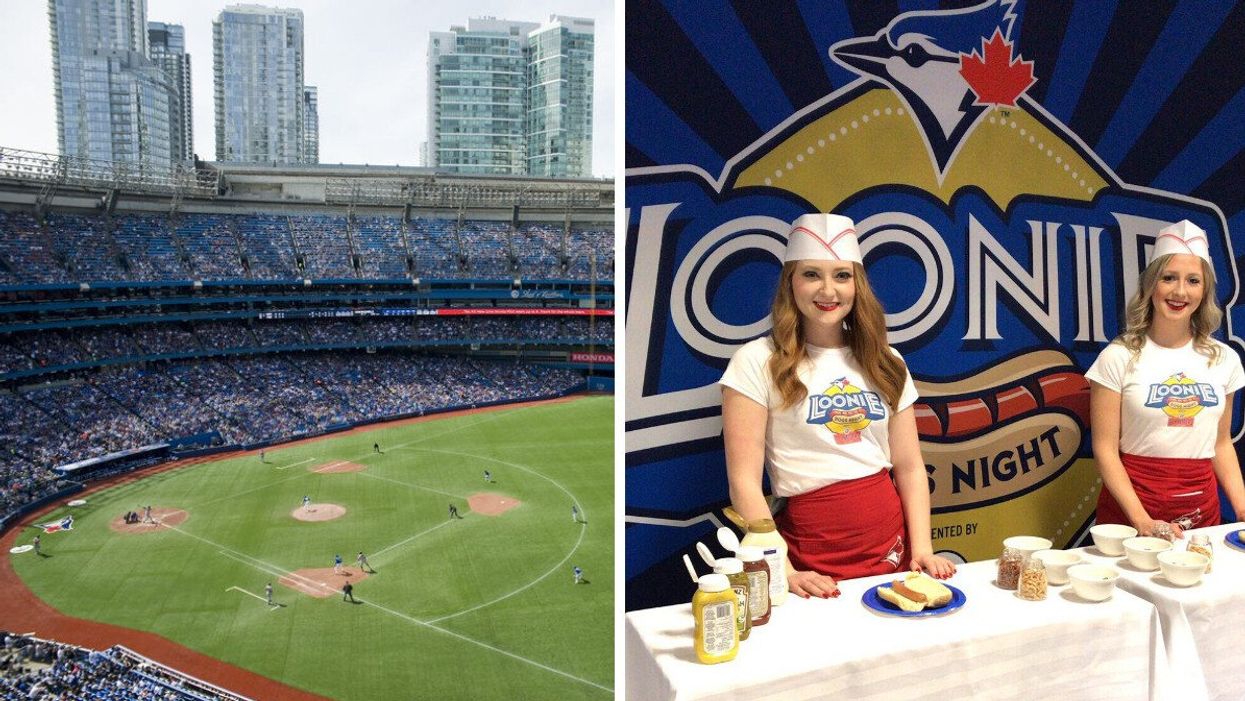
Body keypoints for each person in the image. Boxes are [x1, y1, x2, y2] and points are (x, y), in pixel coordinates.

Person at [720, 213, 956, 600]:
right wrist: (783, 569)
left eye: (842, 276)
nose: (828, 290)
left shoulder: (887, 360)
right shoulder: (755, 360)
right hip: (809, 554)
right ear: (790, 282)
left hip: (894, 547)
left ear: (857, 284)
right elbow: (743, 482)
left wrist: (923, 549)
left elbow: (910, 467)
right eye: (811, 274)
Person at [1087, 220, 1245, 540]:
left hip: (1201, 516)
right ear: (1150, 285)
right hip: (1129, 519)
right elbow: (1104, 449)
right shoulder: (1118, 357)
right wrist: (1143, 522)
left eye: (1193, 280)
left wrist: (1243, 510)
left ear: (1205, 290)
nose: (1179, 291)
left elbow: (1221, 443)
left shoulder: (1224, 359)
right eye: (1168, 278)